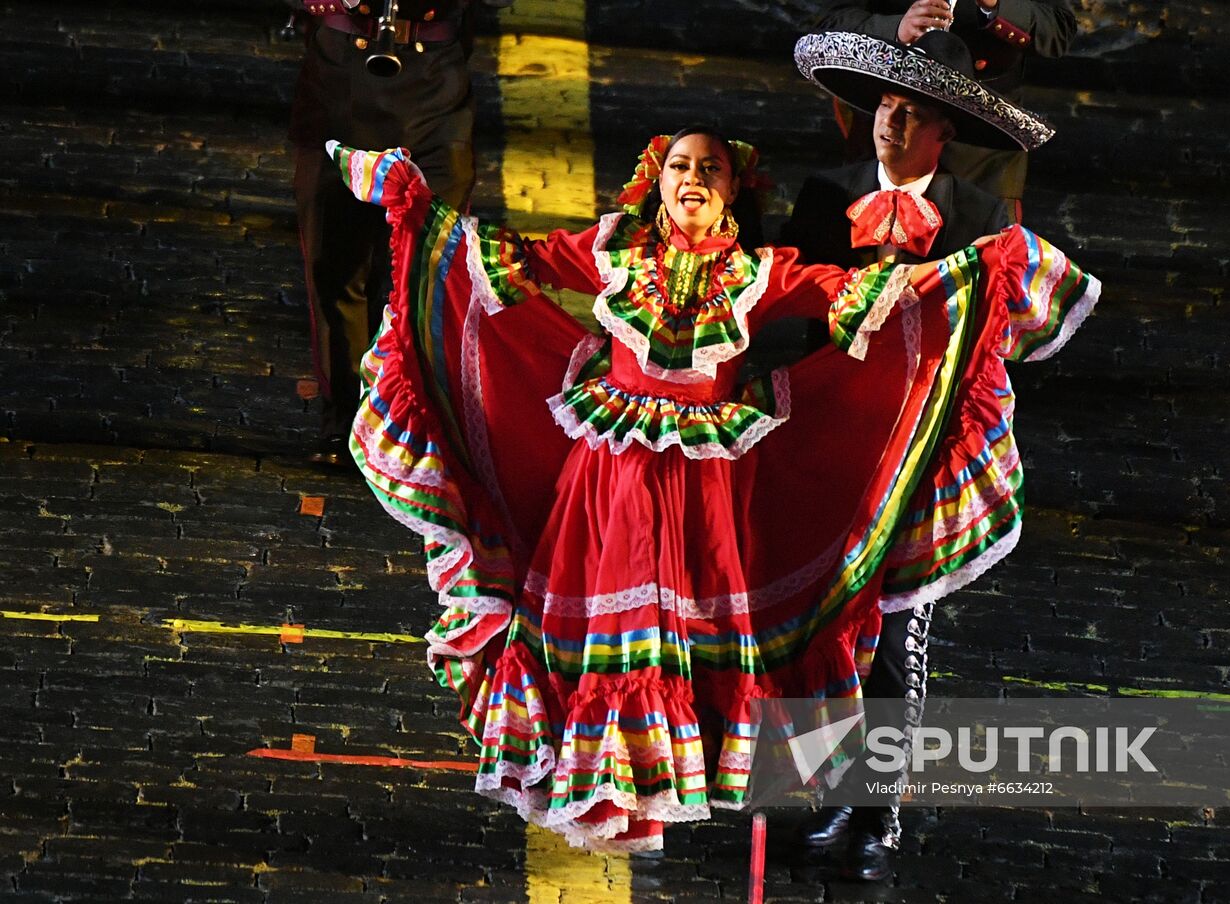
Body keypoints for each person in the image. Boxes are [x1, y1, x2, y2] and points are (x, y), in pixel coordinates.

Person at [328, 123, 1098, 853]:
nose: (694, 178)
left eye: (711, 168)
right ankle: (613, 790)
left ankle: (775, 793)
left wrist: (972, 271)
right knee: (619, 635)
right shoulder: (611, 249)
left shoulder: (760, 272)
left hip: (710, 487)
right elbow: (510, 259)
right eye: (680, 166)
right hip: (615, 474)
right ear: (654, 183)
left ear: (734, 190)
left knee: (696, 639)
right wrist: (419, 213)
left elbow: (859, 294)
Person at [788, 28, 1066, 880]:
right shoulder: (823, 195)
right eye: (886, 104)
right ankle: (832, 792)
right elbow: (788, 322)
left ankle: (883, 815)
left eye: (913, 112)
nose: (892, 120)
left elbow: (1001, 339)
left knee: (898, 632)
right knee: (827, 630)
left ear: (945, 132)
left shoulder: (979, 219)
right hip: (832, 446)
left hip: (920, 455)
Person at [289, 0, 479, 466]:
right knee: (335, 269)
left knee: (426, 272)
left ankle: (411, 422)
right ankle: (346, 424)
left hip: (434, 84)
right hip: (338, 81)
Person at [814, 0, 1077, 219]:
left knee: (979, 267)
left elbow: (1057, 32)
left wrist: (996, 4)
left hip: (981, 148)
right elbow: (830, 22)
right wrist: (896, 29)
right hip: (884, 136)